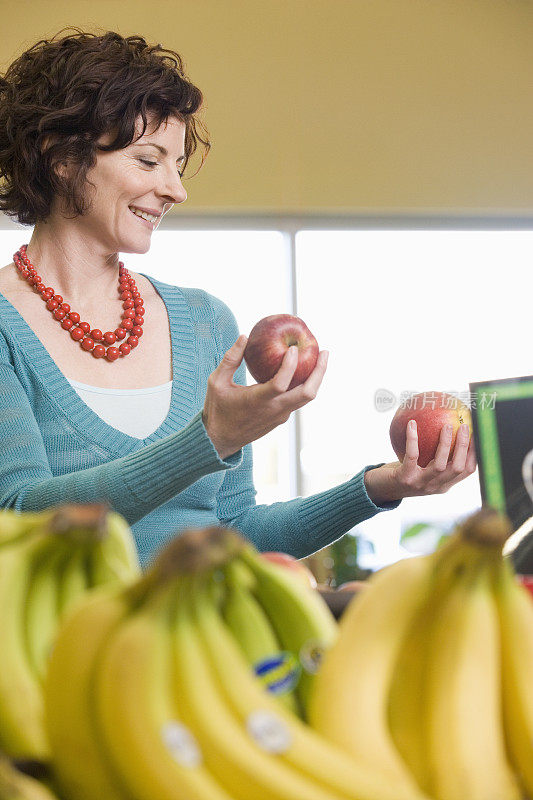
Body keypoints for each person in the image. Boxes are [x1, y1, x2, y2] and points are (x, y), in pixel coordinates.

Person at [0, 29, 476, 567]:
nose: (176, 190)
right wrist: (208, 439)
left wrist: (382, 486)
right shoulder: (3, 328)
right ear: (62, 156)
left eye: (178, 166)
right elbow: (21, 517)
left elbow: (234, 531)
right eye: (148, 160)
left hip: (210, 635)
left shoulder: (205, 323)